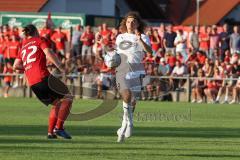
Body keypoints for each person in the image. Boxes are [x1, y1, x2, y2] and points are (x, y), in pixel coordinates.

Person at [13, 24, 73, 139]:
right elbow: (48, 53)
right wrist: (61, 67)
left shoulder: (23, 46)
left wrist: (29, 67)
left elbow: (16, 66)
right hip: (43, 77)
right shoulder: (39, 40)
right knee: (68, 97)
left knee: (57, 104)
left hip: (33, 83)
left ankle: (51, 133)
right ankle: (59, 128)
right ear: (35, 31)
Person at [115, 12, 152, 142]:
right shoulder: (120, 37)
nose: (130, 24)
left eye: (133, 22)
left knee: (132, 101)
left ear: (138, 24)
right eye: (128, 21)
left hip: (137, 70)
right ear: (125, 23)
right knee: (126, 95)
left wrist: (140, 39)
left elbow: (149, 52)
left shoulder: (143, 37)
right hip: (122, 69)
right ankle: (130, 123)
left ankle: (123, 125)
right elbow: (117, 54)